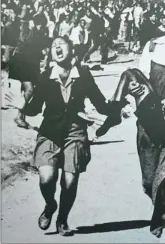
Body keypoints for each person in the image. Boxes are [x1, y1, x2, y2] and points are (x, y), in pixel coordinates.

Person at [94, 3, 165, 239]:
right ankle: (114, 113)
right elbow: (143, 79)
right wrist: (136, 91)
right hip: (148, 120)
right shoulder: (152, 46)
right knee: (149, 182)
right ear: (164, 21)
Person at [4, 36, 115, 236]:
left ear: (72, 50)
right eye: (53, 45)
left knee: (70, 181)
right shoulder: (46, 76)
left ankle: (62, 220)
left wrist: (116, 107)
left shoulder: (83, 74)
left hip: (75, 131)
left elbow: (99, 102)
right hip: (49, 132)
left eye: (61, 44)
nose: (56, 47)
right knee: (47, 179)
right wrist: (22, 107)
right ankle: (50, 206)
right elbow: (36, 108)